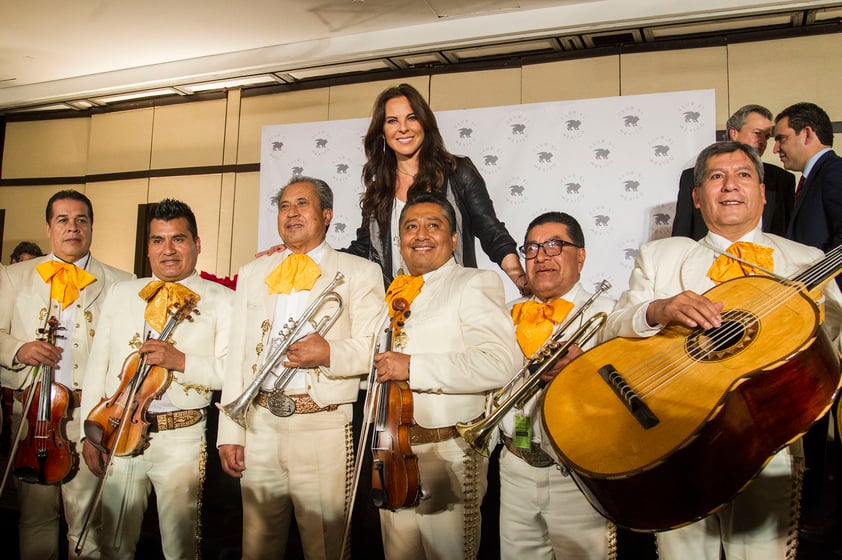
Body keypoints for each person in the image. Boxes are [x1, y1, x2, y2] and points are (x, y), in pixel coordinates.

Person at [604, 141, 842, 559]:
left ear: (763, 192)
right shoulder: (660, 256)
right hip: (677, 440)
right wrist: (657, 309)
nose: (730, 186)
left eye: (744, 175)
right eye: (716, 177)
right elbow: (612, 329)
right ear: (697, 197)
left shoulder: (806, 261)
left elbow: (834, 345)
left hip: (770, 441)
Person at [217, 176, 385, 560]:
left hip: (323, 425)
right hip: (258, 425)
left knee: (326, 548)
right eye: (284, 206)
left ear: (326, 215)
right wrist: (231, 430)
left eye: (302, 204)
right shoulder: (254, 272)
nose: (292, 213)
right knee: (256, 547)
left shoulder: (360, 271)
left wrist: (328, 353)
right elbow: (238, 357)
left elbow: (374, 350)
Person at [78, 199, 232, 559]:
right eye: (158, 240)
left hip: (181, 435)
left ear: (197, 244)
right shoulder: (121, 293)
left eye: (178, 239)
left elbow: (230, 373)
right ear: (147, 247)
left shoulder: (224, 300)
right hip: (117, 431)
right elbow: (96, 365)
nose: (168, 250)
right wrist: (91, 433)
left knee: (180, 547)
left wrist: (181, 361)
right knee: (114, 543)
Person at [374, 192, 519, 559]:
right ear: (399, 241)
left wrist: (413, 366)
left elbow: (500, 362)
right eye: (410, 227)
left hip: (448, 452)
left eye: (432, 225)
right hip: (391, 455)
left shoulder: (475, 282)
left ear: (454, 239)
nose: (420, 234)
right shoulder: (392, 295)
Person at [0, 189, 133, 560]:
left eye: (81, 220)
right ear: (48, 227)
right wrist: (18, 349)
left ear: (91, 227)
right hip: (33, 418)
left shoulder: (121, 282)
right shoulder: (13, 277)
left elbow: (127, 354)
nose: (72, 228)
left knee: (88, 525)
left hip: (88, 418)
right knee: (35, 518)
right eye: (63, 220)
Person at [499, 211, 616, 559]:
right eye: (532, 248)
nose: (542, 256)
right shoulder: (504, 313)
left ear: (580, 255)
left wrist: (587, 367)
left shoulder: (612, 313)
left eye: (554, 245)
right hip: (515, 466)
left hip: (578, 474)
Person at [345, 82, 527, 293]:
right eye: (392, 121)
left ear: (425, 123)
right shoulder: (379, 190)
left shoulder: (457, 173)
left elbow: (491, 232)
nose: (403, 128)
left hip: (453, 299)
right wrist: (316, 255)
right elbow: (363, 250)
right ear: (382, 133)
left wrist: (520, 278)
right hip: (397, 306)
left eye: (412, 117)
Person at [672, 104, 795, 239]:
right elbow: (681, 234)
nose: (762, 141)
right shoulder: (691, 177)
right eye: (757, 133)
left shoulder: (783, 179)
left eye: (766, 137)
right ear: (734, 133)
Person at [773, 102, 842, 284]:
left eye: (782, 139)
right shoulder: (816, 176)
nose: (776, 148)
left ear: (807, 134)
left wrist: (811, 284)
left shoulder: (835, 172)